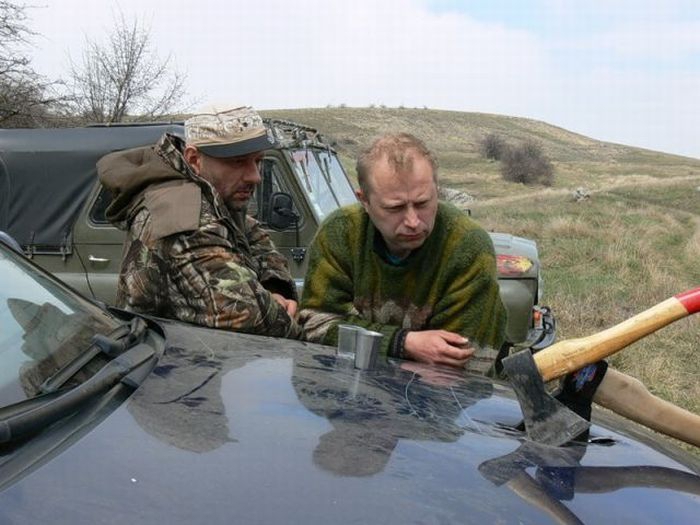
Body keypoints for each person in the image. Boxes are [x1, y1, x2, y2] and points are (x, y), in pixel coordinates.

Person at [299, 132, 507, 375]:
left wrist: (361, 340)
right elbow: (315, 325)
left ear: (436, 190)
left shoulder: (468, 247)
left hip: (448, 394)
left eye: (422, 203)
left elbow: (459, 360)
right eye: (395, 208)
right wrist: (402, 343)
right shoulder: (340, 233)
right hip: (351, 386)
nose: (413, 221)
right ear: (364, 201)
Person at [97, 107, 302, 339]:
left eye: (258, 161)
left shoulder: (217, 195)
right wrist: (286, 314)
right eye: (238, 162)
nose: (255, 176)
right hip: (176, 356)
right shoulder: (185, 217)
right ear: (194, 160)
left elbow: (257, 241)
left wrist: (274, 290)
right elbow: (255, 318)